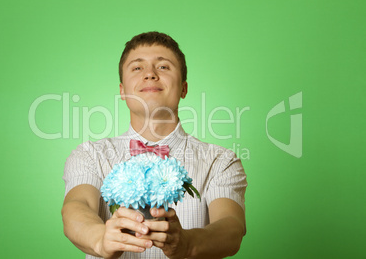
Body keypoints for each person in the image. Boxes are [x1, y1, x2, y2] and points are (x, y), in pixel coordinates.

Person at [62, 32, 248, 259]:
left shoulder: (221, 160)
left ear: (183, 88)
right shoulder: (90, 155)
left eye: (163, 67)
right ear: (122, 90)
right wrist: (100, 239)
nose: (150, 74)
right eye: (137, 68)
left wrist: (187, 244)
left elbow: (231, 226)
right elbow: (76, 206)